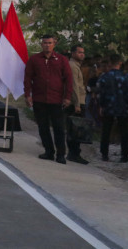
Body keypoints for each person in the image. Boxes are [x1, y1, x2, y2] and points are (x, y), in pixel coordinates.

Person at [24, 35, 73, 164]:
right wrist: (27, 95)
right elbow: (28, 77)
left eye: (50, 43)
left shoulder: (61, 60)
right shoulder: (34, 59)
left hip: (56, 100)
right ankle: (49, 151)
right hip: (39, 99)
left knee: (58, 128)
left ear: (54, 44)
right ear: (41, 44)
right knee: (43, 127)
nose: (47, 45)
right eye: (45, 43)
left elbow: (68, 79)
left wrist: (68, 97)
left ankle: (61, 154)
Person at [98, 54, 128, 163]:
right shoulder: (125, 76)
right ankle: (124, 155)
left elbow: (101, 93)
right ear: (120, 63)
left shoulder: (104, 76)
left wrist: (101, 105)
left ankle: (104, 154)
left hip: (108, 106)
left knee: (106, 130)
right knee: (124, 132)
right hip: (122, 107)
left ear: (109, 63)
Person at [66, 45, 88, 164]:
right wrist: (77, 104)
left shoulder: (76, 66)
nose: (82, 54)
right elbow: (74, 86)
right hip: (76, 102)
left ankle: (74, 153)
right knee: (75, 129)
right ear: (73, 53)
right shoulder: (73, 66)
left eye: (83, 52)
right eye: (79, 52)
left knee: (77, 129)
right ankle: (73, 153)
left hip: (79, 100)